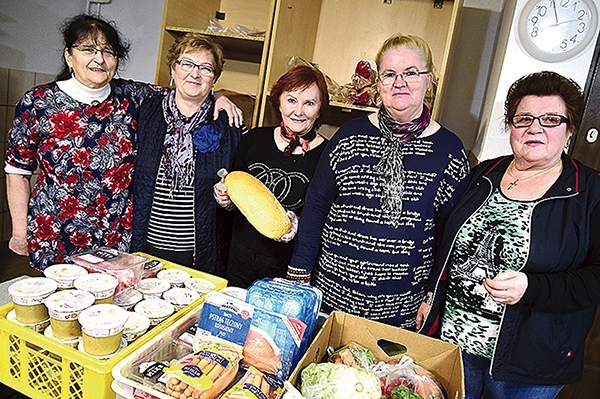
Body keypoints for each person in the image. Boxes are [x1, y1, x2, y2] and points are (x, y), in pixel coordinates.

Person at [4, 14, 242, 271]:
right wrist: (19, 232)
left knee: (109, 309)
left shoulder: (132, 97)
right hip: (56, 234)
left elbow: (189, 90)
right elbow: (17, 171)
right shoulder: (39, 102)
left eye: (108, 51)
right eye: (87, 49)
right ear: (68, 55)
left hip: (116, 238)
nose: (99, 59)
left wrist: (218, 95)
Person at [417, 71, 600, 399]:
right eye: (524, 118)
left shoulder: (590, 192)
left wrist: (532, 288)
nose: (535, 128)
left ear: (570, 129)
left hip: (529, 366)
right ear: (511, 126)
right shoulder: (483, 173)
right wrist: (431, 295)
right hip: (454, 346)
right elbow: (446, 242)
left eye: (551, 119)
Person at [286, 33, 470, 328]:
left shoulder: (449, 150)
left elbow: (450, 234)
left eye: (411, 73)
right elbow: (317, 205)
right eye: (389, 74)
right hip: (332, 296)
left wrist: (432, 294)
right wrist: (299, 272)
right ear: (378, 84)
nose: (400, 82)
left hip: (400, 307)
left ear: (429, 81)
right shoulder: (349, 135)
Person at [131, 33, 244, 273]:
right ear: (173, 69)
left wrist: (229, 199)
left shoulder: (229, 123)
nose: (195, 74)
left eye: (206, 68)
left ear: (215, 78)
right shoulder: (146, 110)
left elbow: (240, 187)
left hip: (199, 251)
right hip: (145, 244)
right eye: (187, 64)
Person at [213, 65, 329, 288]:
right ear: (279, 101)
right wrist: (225, 199)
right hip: (239, 260)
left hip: (286, 269)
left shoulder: (327, 155)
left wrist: (298, 224)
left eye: (309, 103)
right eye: (291, 100)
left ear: (320, 107)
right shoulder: (253, 139)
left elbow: (324, 217)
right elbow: (236, 200)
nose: (298, 111)